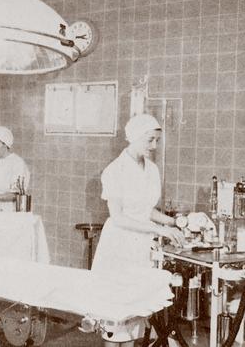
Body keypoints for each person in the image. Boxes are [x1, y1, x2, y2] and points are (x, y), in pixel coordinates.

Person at [91, 114, 185, 347]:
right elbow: (119, 217)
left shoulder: (151, 169)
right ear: (134, 137)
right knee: (115, 315)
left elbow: (146, 210)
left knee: (135, 316)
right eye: (150, 140)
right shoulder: (115, 170)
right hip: (119, 246)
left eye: (156, 141)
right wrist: (160, 230)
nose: (154, 146)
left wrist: (174, 223)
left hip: (141, 246)